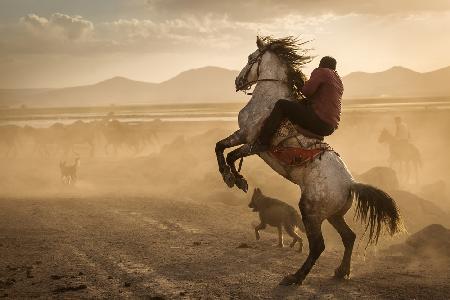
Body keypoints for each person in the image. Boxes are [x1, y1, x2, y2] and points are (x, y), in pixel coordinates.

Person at [258, 56, 344, 146]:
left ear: (322, 64)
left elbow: (307, 91)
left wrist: (299, 84)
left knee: (281, 104)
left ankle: (263, 141)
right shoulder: (338, 81)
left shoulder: (323, 72)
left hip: (319, 121)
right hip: (330, 127)